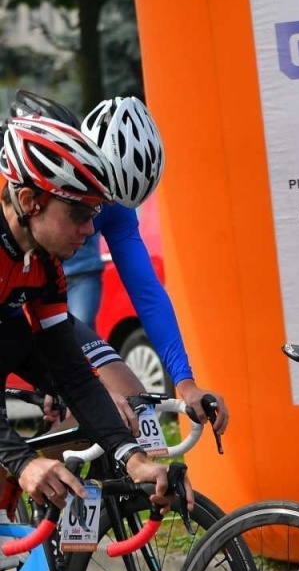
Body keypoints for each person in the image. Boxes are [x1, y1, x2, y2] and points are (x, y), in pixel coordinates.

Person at [7, 91, 231, 434]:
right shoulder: (45, 195)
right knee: (97, 401)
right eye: (87, 204)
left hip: (53, 304)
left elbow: (147, 292)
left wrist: (185, 383)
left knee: (132, 405)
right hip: (17, 301)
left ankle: (52, 474)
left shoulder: (116, 210)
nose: (95, 212)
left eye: (107, 204)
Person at [0, 114, 175, 510]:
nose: (88, 230)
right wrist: (23, 463)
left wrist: (134, 458)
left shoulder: (44, 262)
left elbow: (72, 372)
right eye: (79, 215)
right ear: (30, 201)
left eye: (95, 215)